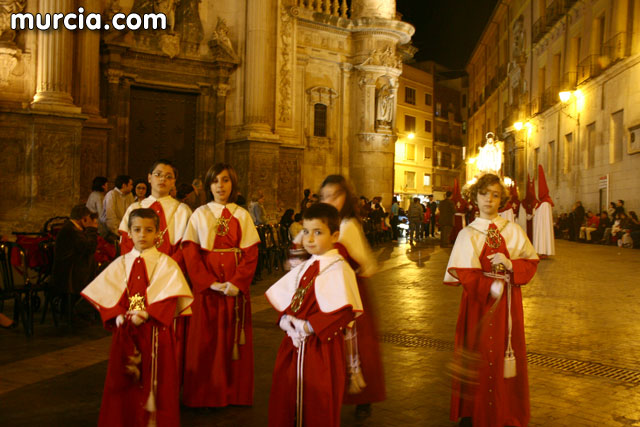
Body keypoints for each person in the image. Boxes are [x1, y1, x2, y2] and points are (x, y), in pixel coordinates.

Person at [81, 208, 193, 427]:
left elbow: (170, 297)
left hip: (156, 335)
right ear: (129, 233)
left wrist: (148, 313)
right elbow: (108, 295)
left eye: (149, 230)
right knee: (125, 382)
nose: (143, 235)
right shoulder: (121, 264)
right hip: (127, 335)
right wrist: (118, 316)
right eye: (137, 230)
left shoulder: (166, 264)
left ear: (158, 234)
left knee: (158, 380)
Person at [444, 173, 539, 427]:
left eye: (495, 195)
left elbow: (530, 262)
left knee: (504, 355)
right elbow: (464, 272)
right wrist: (490, 286)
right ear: (474, 197)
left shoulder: (513, 230)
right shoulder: (468, 234)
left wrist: (511, 265)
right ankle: (474, 411)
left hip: (509, 304)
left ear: (502, 200)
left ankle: (505, 410)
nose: (489, 199)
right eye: (484, 193)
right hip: (478, 304)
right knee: (477, 353)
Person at [265, 203, 363, 427]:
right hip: (294, 346)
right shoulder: (307, 265)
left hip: (321, 350)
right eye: (306, 231)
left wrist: (308, 327)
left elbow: (344, 312)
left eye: (318, 232)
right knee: (288, 397)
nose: (309, 238)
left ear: (334, 235)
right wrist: (286, 321)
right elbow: (292, 298)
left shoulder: (339, 268)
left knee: (316, 403)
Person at [181, 163, 260, 408]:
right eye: (215, 181)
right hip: (208, 289)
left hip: (234, 290)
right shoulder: (199, 214)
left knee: (233, 338)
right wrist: (209, 283)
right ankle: (206, 394)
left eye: (225, 180)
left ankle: (233, 393)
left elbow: (250, 253)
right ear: (208, 185)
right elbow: (191, 253)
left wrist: (237, 283)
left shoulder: (242, 215)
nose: (220, 186)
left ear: (233, 184)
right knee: (206, 339)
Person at [319, 175, 385, 420]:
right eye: (325, 196)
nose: (330, 200)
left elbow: (361, 261)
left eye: (335, 195)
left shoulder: (348, 225)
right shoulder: (327, 222)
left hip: (351, 291)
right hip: (329, 291)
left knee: (360, 346)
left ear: (346, 196)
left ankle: (362, 396)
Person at [119, 160, 192, 259]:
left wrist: (168, 268)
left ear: (173, 182)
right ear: (149, 178)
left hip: (171, 269)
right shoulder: (135, 208)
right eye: (158, 174)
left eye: (169, 177)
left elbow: (185, 248)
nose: (163, 179)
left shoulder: (183, 211)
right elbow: (126, 244)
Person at [52, 205, 99, 307]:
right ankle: (83, 310)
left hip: (72, 270)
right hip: (69, 274)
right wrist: (91, 229)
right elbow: (89, 248)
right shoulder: (71, 230)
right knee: (100, 275)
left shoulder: (72, 228)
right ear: (84, 219)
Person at [100, 175, 134, 243]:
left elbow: (132, 213)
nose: (132, 187)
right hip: (110, 232)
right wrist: (118, 232)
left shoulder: (129, 195)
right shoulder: (112, 195)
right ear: (124, 185)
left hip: (125, 231)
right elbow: (110, 218)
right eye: (131, 184)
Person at [533, 165, 555, 257]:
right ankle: (542, 250)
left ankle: (543, 250)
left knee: (543, 235)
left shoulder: (545, 203)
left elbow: (542, 217)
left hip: (542, 226)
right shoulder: (544, 203)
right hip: (541, 225)